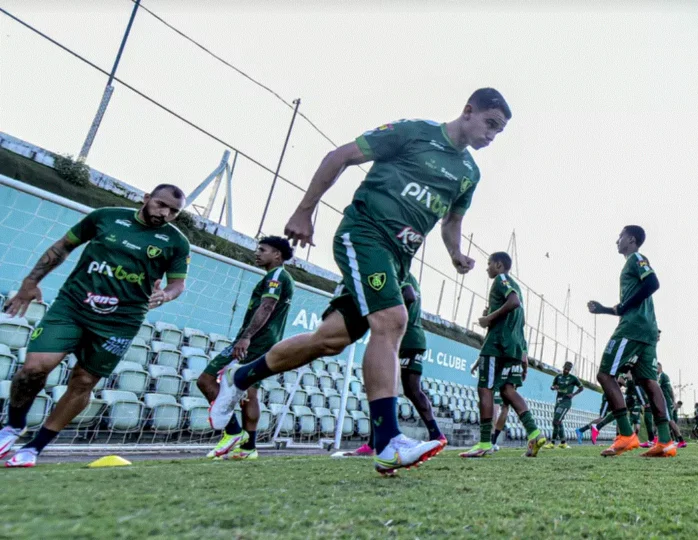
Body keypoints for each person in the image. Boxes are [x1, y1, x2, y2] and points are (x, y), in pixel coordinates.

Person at [210, 89, 512, 475]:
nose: (491, 135)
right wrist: (304, 211)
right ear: (468, 111)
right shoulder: (413, 132)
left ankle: (240, 376)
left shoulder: (469, 173)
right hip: (364, 235)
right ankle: (387, 442)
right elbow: (340, 156)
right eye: (489, 124)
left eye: (498, 131)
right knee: (392, 321)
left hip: (397, 260)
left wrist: (455, 253)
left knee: (328, 341)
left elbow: (452, 222)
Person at [0, 185, 190, 467]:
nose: (165, 213)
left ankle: (36, 447)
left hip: (121, 320)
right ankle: (13, 426)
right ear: (146, 198)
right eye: (161, 205)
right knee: (33, 369)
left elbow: (177, 284)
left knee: (84, 381)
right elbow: (62, 246)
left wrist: (167, 294)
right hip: (72, 306)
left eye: (173, 211)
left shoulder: (176, 242)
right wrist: (30, 282)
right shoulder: (105, 217)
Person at [199, 236, 294, 461]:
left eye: (262, 249)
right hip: (262, 341)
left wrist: (246, 337)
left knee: (206, 379)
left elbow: (268, 306)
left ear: (277, 255)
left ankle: (232, 432)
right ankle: (249, 447)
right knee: (249, 393)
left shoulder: (277, 275)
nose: (257, 253)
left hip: (256, 341)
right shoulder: (276, 276)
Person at [588, 225, 676, 458]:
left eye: (620, 237)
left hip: (633, 328)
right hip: (646, 329)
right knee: (647, 381)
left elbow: (653, 283)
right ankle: (665, 441)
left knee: (605, 375)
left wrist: (625, 307)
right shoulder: (631, 264)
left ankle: (626, 434)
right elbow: (628, 304)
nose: (616, 240)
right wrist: (604, 309)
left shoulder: (636, 258)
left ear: (631, 239)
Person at [339, 274, 446, 458]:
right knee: (406, 389)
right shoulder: (408, 276)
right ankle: (434, 434)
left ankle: (433, 435)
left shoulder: (398, 273)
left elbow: (409, 296)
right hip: (411, 337)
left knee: (389, 389)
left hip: (406, 337)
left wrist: (386, 313)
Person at [460, 252, 545, 458]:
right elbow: (519, 318)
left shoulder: (501, 279)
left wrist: (489, 317)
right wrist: (523, 352)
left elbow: (513, 302)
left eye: (489, 264)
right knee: (507, 390)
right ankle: (534, 432)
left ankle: (484, 443)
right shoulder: (516, 288)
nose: (487, 268)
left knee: (485, 388)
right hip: (513, 347)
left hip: (498, 345)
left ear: (499, 265)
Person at [545, 361, 583, 449]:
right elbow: (552, 386)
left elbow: (581, 387)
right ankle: (563, 443)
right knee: (559, 422)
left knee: (556, 421)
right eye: (565, 368)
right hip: (558, 401)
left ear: (570, 370)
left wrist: (573, 394)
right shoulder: (558, 377)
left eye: (568, 369)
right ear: (563, 367)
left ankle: (552, 443)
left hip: (566, 402)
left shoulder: (573, 378)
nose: (566, 370)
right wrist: (554, 387)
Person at [656, 363, 686, 447]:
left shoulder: (661, 376)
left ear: (660, 368)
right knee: (664, 420)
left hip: (665, 402)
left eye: (656, 368)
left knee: (670, 421)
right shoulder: (665, 376)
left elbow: (656, 387)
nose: (655, 370)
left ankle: (681, 440)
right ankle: (665, 440)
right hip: (666, 401)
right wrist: (673, 400)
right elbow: (671, 389)